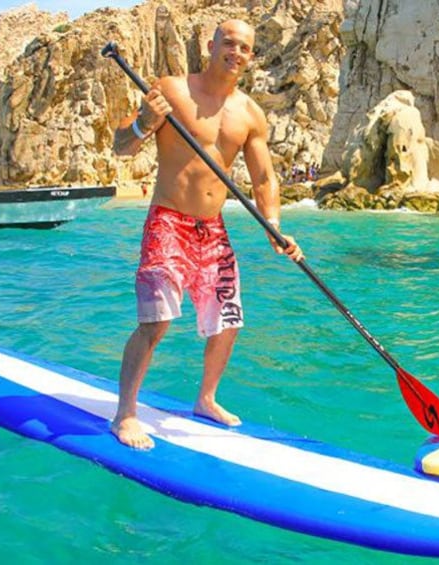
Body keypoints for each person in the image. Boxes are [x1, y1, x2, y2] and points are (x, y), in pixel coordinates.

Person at [110, 19, 303, 450]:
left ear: (252, 57)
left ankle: (206, 398)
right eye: (229, 43)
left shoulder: (249, 113)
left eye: (246, 48)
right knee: (155, 322)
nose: (236, 52)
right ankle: (125, 413)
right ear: (212, 45)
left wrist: (273, 224)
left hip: (212, 229)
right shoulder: (172, 90)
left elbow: (264, 177)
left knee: (229, 320)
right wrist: (143, 123)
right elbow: (121, 145)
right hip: (168, 222)